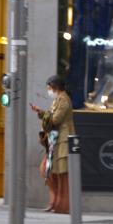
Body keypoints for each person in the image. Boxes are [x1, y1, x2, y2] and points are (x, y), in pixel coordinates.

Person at [31, 75, 75, 214]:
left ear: (55, 87)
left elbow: (55, 119)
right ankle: (54, 202)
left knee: (59, 173)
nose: (48, 91)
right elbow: (51, 116)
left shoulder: (63, 100)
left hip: (62, 141)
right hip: (56, 140)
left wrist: (45, 115)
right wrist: (42, 113)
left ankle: (61, 205)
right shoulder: (58, 99)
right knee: (49, 171)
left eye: (49, 88)